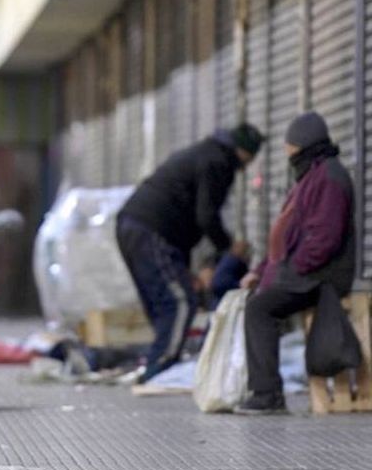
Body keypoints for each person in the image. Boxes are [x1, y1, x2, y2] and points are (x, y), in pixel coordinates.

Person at [117, 124, 265, 384]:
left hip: (134, 226)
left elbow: (189, 220)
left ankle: (159, 362)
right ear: (245, 152)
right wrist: (227, 247)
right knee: (180, 302)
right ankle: (159, 370)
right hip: (151, 230)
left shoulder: (206, 153)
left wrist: (188, 268)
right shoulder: (219, 162)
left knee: (163, 303)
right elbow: (206, 216)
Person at [235, 112, 355, 414]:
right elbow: (286, 237)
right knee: (257, 300)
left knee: (259, 308)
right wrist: (261, 271)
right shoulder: (311, 176)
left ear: (303, 146)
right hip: (303, 271)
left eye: (290, 147)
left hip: (320, 275)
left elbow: (324, 239)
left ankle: (267, 395)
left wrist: (292, 270)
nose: (288, 154)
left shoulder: (328, 177)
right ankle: (263, 390)